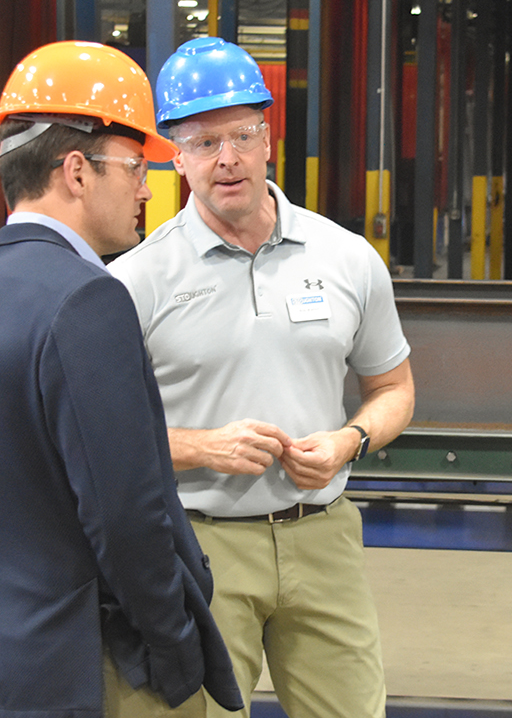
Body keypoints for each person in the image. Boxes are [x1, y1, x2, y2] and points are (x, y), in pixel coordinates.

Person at [0, 41, 242, 718]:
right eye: (135, 167)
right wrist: (173, 642)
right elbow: (125, 512)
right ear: (77, 171)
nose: (147, 188)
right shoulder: (88, 300)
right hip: (100, 670)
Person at [109, 37, 415, 717]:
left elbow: (393, 388)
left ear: (267, 139)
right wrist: (201, 447)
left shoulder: (346, 258)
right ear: (175, 157)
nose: (227, 158)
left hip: (324, 537)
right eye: (203, 142)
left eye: (242, 135)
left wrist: (349, 441)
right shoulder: (134, 282)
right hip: (200, 546)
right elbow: (99, 438)